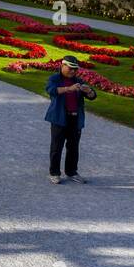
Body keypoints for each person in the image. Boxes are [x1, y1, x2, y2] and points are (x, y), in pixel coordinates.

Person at [45, 55, 97, 184]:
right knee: (57, 147)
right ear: (62, 66)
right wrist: (69, 89)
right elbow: (51, 90)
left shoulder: (78, 80)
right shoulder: (55, 78)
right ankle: (54, 173)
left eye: (75, 69)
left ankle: (71, 172)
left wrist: (89, 91)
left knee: (73, 147)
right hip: (59, 118)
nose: (73, 71)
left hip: (75, 118)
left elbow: (93, 96)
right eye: (71, 68)